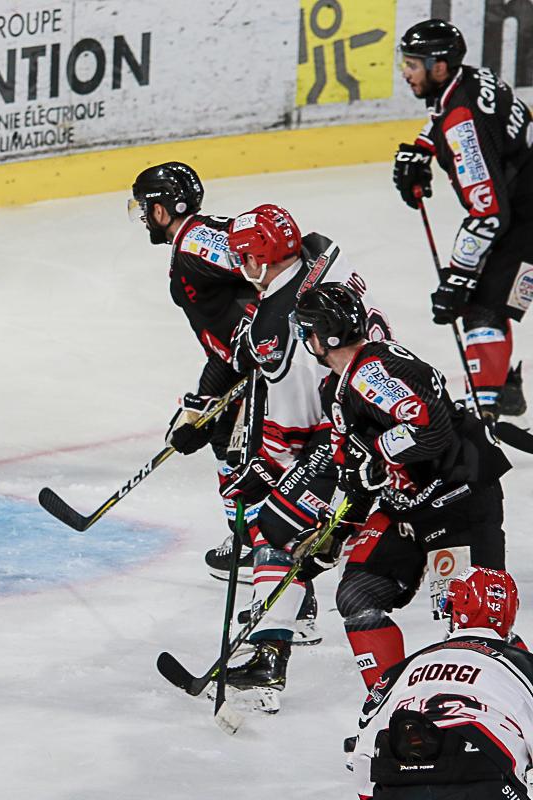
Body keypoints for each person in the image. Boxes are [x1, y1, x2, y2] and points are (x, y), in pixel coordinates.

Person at [293, 283, 510, 690]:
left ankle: (502, 704)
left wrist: (377, 454)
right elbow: (357, 469)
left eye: (306, 331)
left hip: (458, 502)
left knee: (478, 620)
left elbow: (432, 430)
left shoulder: (371, 372)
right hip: (407, 508)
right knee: (358, 595)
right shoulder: (338, 387)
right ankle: (387, 702)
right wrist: (335, 532)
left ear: (322, 336)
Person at [216, 205, 391, 704]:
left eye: (244, 256)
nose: (240, 265)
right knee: (289, 522)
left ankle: (272, 655)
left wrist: (262, 468)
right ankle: (293, 615)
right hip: (382, 399)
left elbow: (293, 430)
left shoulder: (277, 329)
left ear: (261, 258)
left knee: (272, 526)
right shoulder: (322, 252)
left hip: (347, 435)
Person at [393, 18, 533, 418]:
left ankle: (482, 414)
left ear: (439, 66)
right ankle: (503, 390)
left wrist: (458, 275)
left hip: (525, 218)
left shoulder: (462, 124)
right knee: (483, 296)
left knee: (482, 305)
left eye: (413, 64)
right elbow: (446, 114)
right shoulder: (471, 78)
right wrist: (423, 147)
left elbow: (489, 213)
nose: (405, 72)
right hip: (522, 202)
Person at [130, 162, 257, 583]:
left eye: (145, 207)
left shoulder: (194, 247)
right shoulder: (199, 234)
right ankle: (248, 539)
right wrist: (202, 401)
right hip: (248, 357)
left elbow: (270, 279)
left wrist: (263, 350)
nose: (143, 216)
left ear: (161, 210)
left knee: (246, 451)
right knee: (219, 434)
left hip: (273, 362)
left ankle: (261, 550)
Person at [349, 567, 533, 799]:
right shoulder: (524, 665)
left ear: (454, 610)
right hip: (486, 782)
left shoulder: (401, 670)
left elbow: (363, 756)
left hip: (400, 785)